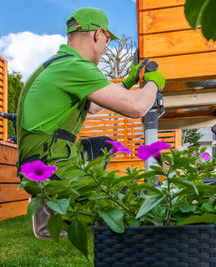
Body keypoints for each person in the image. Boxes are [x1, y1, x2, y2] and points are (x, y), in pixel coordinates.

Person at [16, 7, 165, 239]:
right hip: (48, 166)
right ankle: (55, 205)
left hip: (40, 160)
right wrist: (154, 84)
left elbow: (94, 106)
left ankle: (47, 216)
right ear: (98, 34)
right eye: (107, 40)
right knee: (123, 194)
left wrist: (127, 81)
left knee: (102, 145)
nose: (106, 47)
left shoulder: (60, 64)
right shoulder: (74, 66)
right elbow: (137, 107)